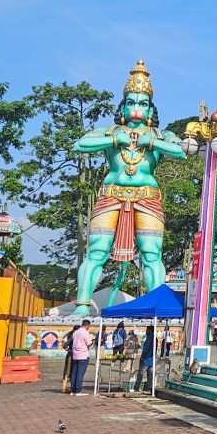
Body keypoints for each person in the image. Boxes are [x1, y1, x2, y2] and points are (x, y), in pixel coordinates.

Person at [71, 60, 186, 316]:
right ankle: (81, 306)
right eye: (131, 102)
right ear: (122, 107)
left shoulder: (160, 135)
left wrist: (154, 142)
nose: (136, 109)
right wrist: (114, 139)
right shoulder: (109, 132)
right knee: (97, 252)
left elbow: (182, 151)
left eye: (142, 104)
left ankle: (154, 305)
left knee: (151, 254)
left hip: (147, 197)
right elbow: (79, 145)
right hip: (111, 195)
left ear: (150, 110)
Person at [68, 319, 94, 395]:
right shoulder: (85, 332)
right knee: (80, 373)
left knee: (74, 373)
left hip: (75, 354)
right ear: (87, 325)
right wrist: (91, 342)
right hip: (83, 354)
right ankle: (78, 390)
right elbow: (88, 343)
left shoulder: (75, 332)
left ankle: (73, 390)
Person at [133, 325, 155, 392]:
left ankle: (136, 387)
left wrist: (142, 357)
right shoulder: (155, 338)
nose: (146, 331)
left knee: (141, 374)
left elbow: (145, 349)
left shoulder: (148, 338)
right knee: (150, 375)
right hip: (152, 360)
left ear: (150, 331)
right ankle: (149, 388)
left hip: (146, 359)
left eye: (147, 330)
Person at [61, 324, 79, 393]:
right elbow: (65, 345)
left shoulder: (71, 334)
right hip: (71, 355)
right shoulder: (74, 335)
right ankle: (66, 387)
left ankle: (66, 387)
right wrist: (70, 350)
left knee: (69, 372)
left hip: (71, 354)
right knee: (69, 372)